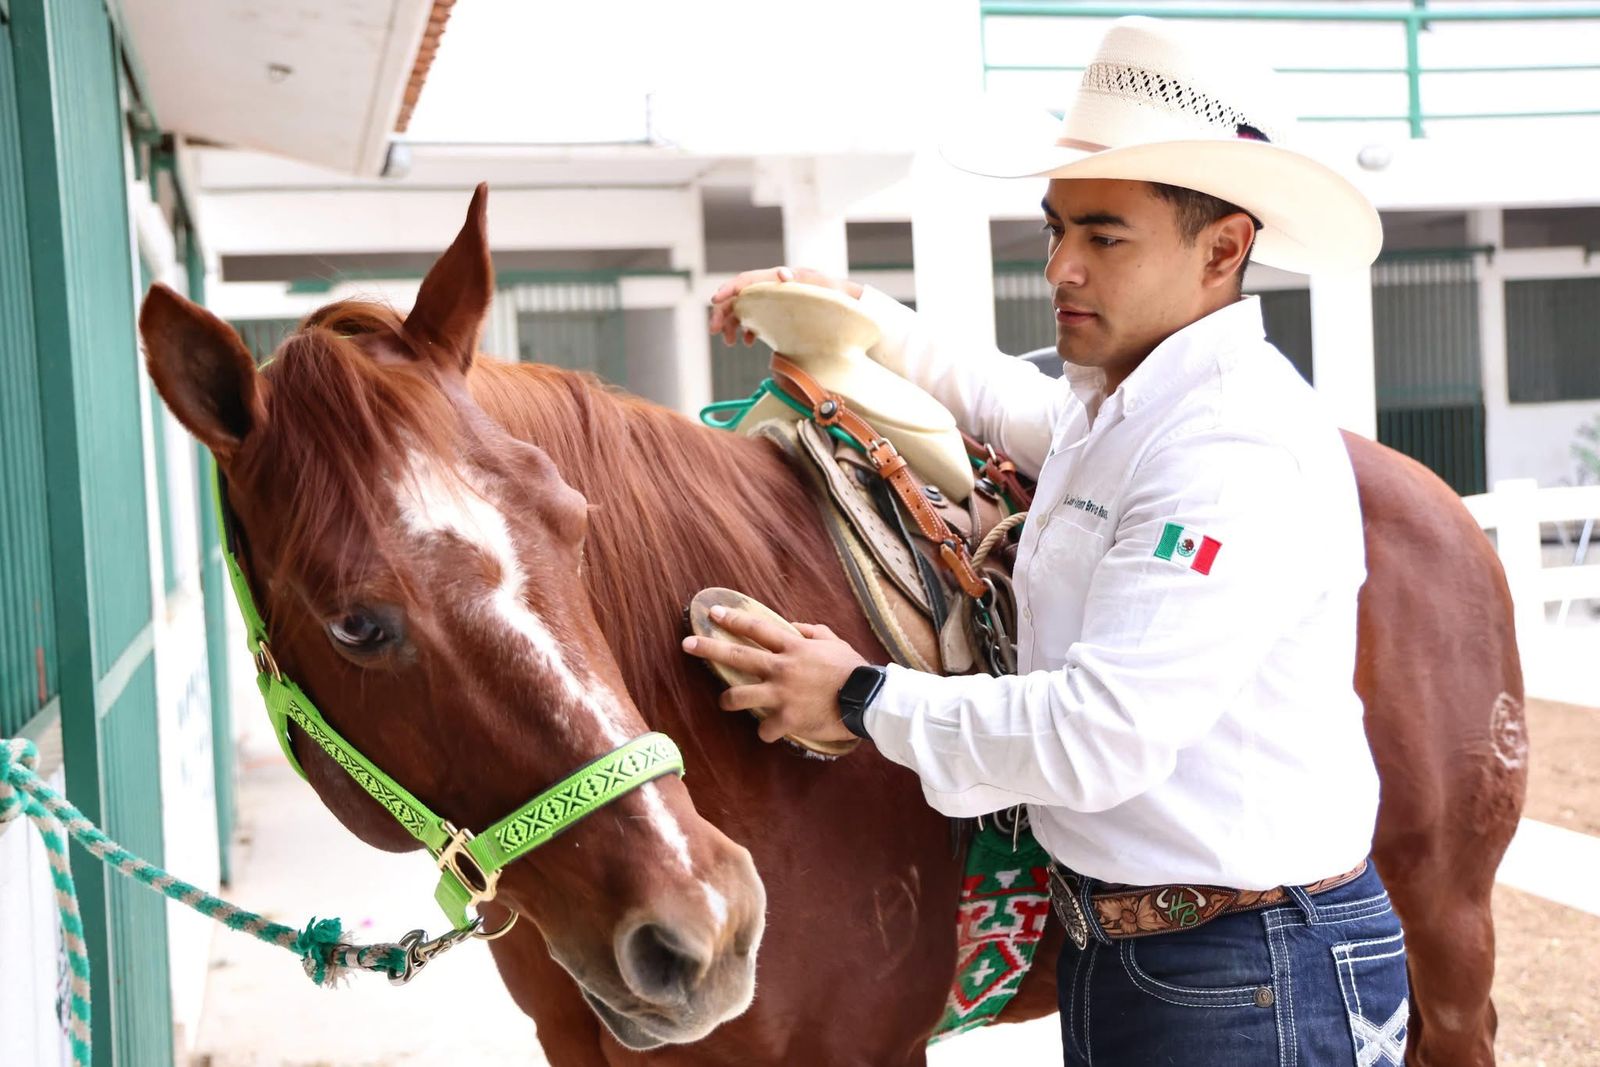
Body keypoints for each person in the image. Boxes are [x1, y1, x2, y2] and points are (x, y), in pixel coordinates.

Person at [684, 16, 1409, 1067]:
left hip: (1248, 973)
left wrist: (856, 695)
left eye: (1104, 237)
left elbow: (1100, 733)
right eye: (1056, 228)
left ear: (1221, 249)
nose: (1060, 267)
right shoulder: (1128, 405)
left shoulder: (1226, 445)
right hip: (1159, 954)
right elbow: (1010, 405)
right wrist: (856, 316)